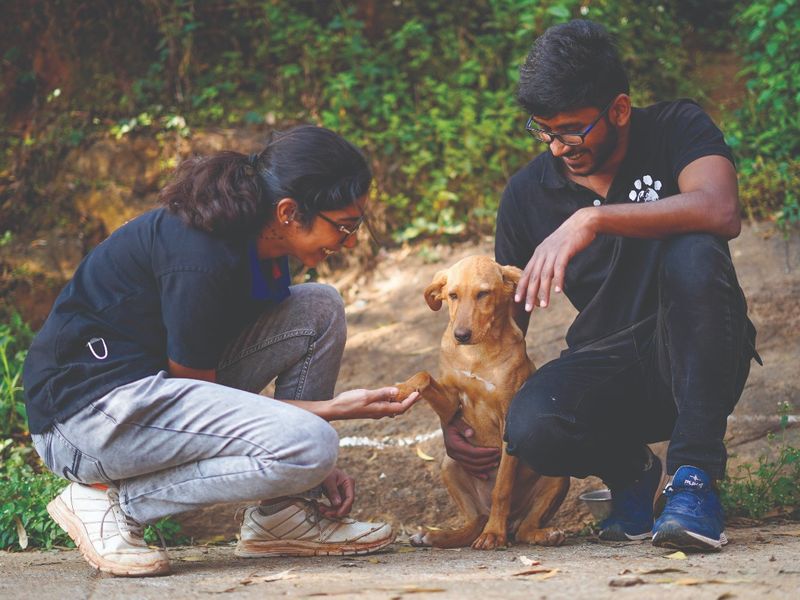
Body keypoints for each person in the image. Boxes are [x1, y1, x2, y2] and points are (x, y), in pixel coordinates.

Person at [22, 125, 419, 577]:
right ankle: (110, 503)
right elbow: (199, 391)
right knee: (312, 444)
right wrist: (325, 414)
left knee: (319, 307)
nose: (349, 241)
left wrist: (301, 466)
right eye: (344, 226)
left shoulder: (255, 241)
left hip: (155, 390)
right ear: (289, 212)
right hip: (85, 419)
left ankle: (282, 516)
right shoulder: (202, 254)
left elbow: (202, 392)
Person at [442, 20, 759, 552]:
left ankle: (693, 481)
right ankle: (632, 471)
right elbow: (503, 328)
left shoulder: (676, 127)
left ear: (618, 110)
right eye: (543, 130)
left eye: (570, 130)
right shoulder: (526, 195)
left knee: (696, 250)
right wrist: (461, 413)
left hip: (701, 349)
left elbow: (720, 209)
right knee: (532, 424)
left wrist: (594, 219)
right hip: (609, 367)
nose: (557, 147)